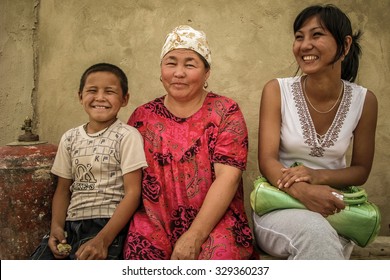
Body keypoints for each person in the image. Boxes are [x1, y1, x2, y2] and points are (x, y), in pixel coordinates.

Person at [252, 4, 378, 260]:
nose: (305, 45)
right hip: (281, 205)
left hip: (334, 209)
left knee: (322, 240)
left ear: (344, 45)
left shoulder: (365, 101)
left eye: (316, 35)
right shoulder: (277, 90)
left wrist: (317, 177)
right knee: (315, 234)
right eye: (299, 37)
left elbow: (361, 170)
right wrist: (302, 191)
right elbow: (267, 160)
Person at [123, 25, 255, 260]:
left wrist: (195, 235)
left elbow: (229, 177)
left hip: (216, 222)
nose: (179, 72)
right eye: (171, 63)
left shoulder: (225, 111)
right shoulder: (142, 117)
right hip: (155, 222)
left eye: (190, 64)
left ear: (207, 73)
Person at [30, 63, 148, 260]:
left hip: (108, 226)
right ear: (80, 96)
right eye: (92, 91)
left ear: (125, 99)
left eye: (109, 92)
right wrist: (56, 228)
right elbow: (63, 189)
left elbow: (133, 193)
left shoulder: (127, 136)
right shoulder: (70, 138)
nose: (100, 97)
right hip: (71, 224)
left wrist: (103, 239)